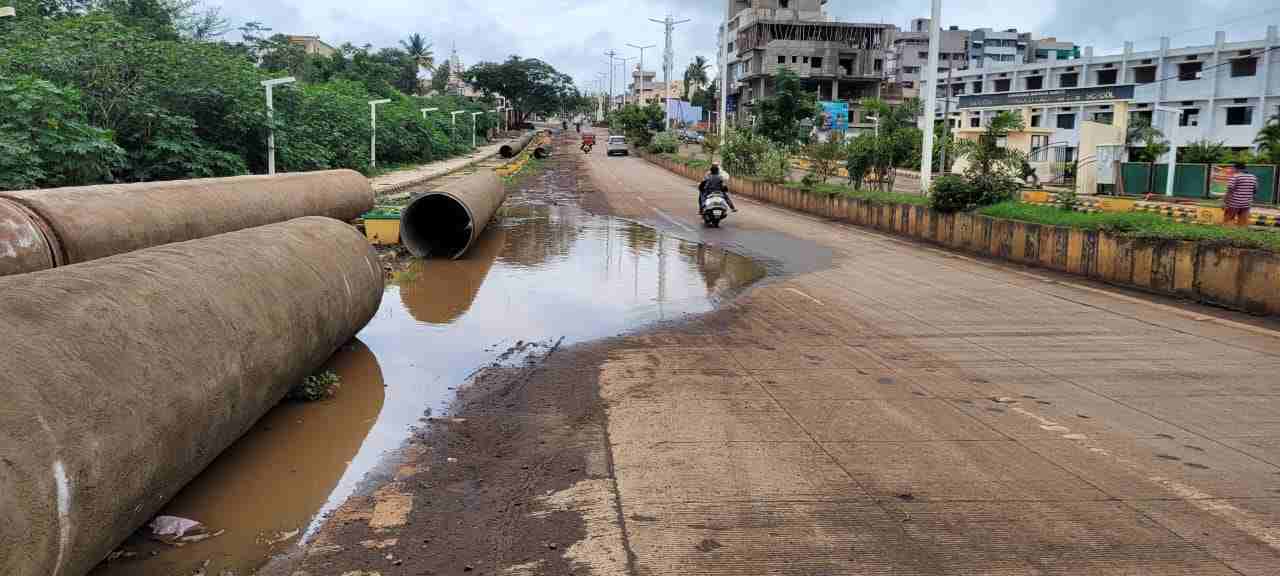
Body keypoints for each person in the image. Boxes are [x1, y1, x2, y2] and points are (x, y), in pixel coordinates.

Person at [1225, 161, 1257, 227]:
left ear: (1236, 168)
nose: (1232, 170)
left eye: (1233, 168)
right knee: (1242, 223)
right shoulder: (1253, 177)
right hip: (1246, 203)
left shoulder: (1235, 177)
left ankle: (1227, 234)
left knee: (1228, 220)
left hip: (1234, 203)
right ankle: (1240, 235)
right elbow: (1255, 190)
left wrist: (1225, 202)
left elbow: (1229, 191)